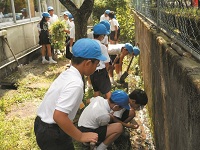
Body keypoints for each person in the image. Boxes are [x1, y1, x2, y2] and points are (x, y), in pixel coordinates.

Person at [34, 38, 107, 149]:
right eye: (97, 64)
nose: (96, 67)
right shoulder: (76, 84)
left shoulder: (68, 74)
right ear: (87, 63)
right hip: (53, 132)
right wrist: (81, 136)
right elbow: (59, 116)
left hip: (42, 124)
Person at [89, 23, 111, 99]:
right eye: (104, 35)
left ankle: (95, 108)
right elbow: (107, 63)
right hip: (101, 72)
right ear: (101, 36)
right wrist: (106, 72)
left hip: (92, 72)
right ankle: (109, 109)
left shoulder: (89, 45)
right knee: (107, 93)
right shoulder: (102, 47)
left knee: (96, 92)